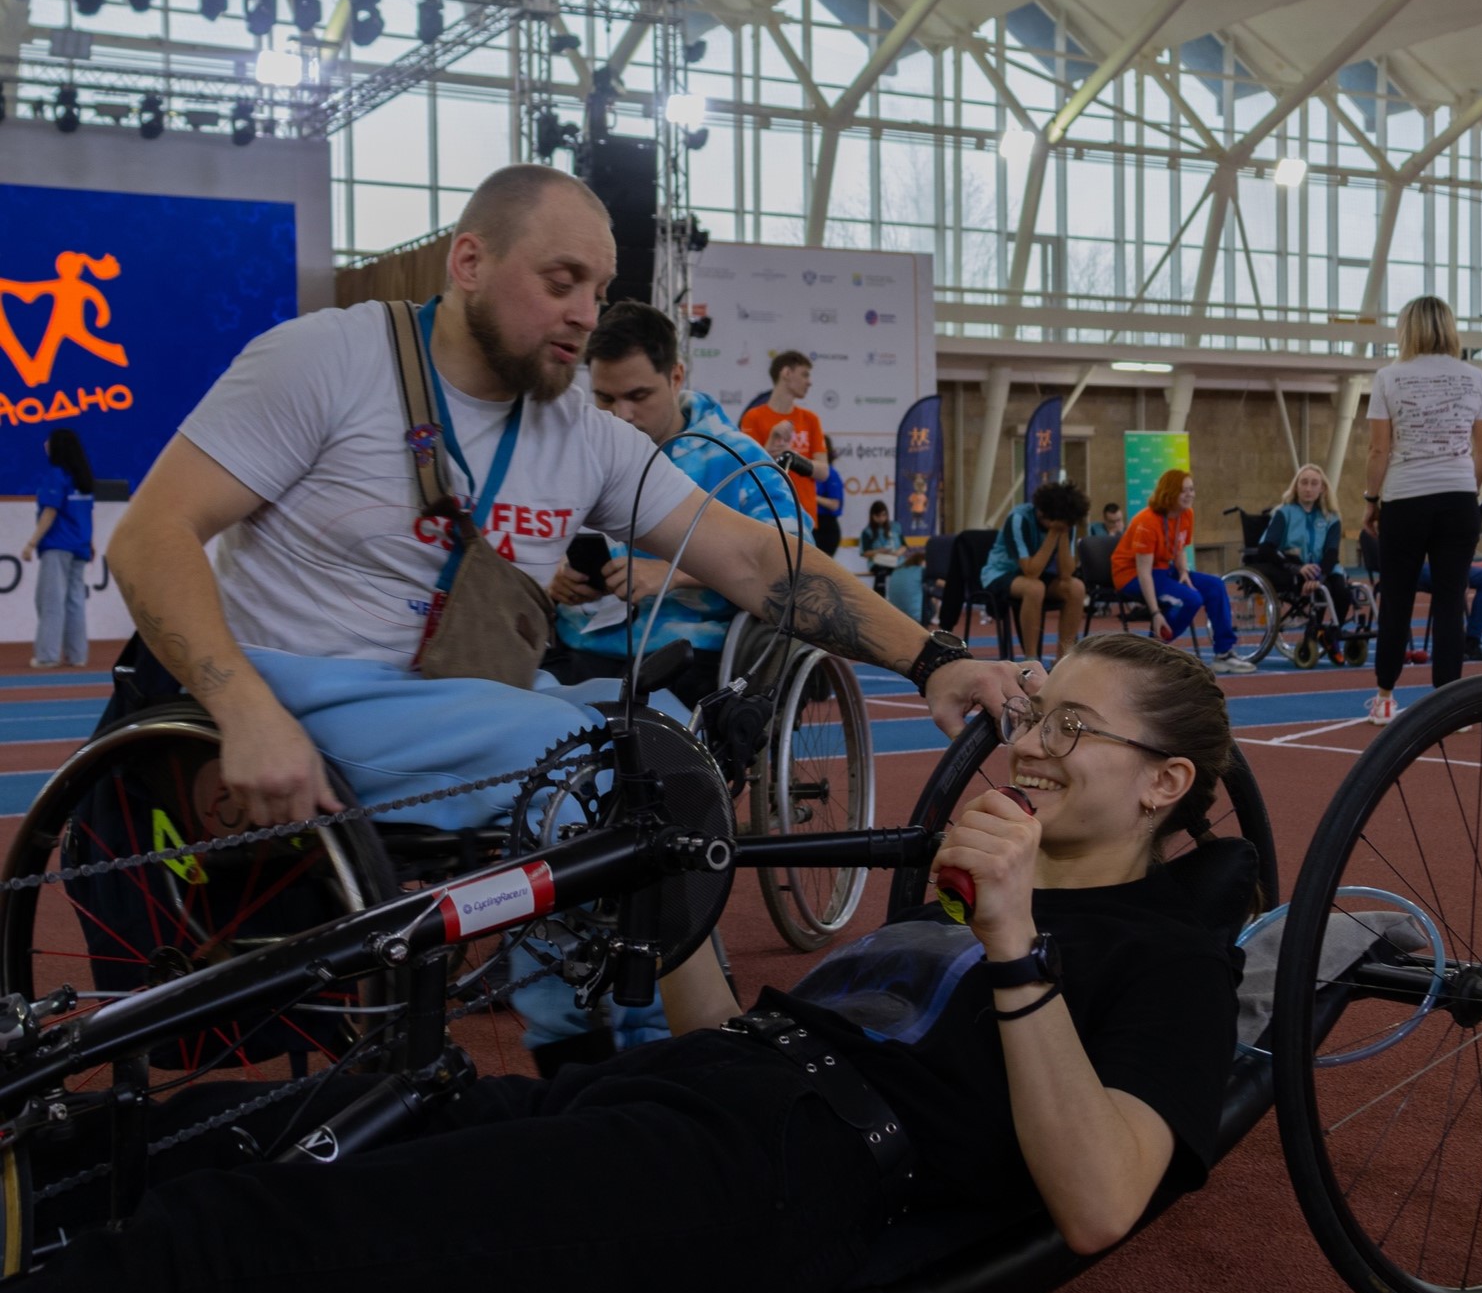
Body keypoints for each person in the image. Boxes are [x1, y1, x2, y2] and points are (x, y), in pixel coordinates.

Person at [0, 634, 1243, 1293]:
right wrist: (671, 905)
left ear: (1163, 783)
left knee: (232, 1250)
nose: (1030, 743)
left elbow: (1100, 1202)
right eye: (1035, 713)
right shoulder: (961, 893)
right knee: (207, 1130)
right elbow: (730, 1030)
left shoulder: (1168, 957)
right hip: (678, 1091)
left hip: (765, 1180)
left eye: (1074, 727)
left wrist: (1016, 941)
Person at [105, 163, 1019, 899]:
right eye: (560, 281)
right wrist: (246, 710)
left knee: (673, 745)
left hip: (455, 701)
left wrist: (933, 658)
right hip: (300, 695)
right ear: (469, 262)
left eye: (599, 288)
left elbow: (749, 555)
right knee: (594, 762)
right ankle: (591, 1032)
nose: (585, 312)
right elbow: (151, 535)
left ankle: (662, 1038)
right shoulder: (325, 359)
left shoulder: (582, 435)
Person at [550, 299, 802, 710]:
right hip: (579, 646)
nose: (622, 415)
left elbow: (792, 559)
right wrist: (554, 573)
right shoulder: (579, 449)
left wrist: (675, 573)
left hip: (688, 657)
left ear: (676, 377)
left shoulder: (738, 458)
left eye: (639, 395)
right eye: (605, 398)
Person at [1361, 296, 1482, 725]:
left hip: (1405, 499)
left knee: (1396, 600)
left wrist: (1371, 500)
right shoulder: (1475, 377)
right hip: (1458, 499)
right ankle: (1451, 708)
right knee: (1451, 601)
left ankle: (1385, 697)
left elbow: (1379, 449)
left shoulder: (1389, 377)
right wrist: (1466, 489)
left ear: (1407, 329)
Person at [1113, 471, 1256, 677]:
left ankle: (1224, 653)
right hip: (1132, 575)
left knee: (1215, 585)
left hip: (1163, 570)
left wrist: (1183, 571)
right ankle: (1153, 650)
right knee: (1191, 599)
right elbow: (1144, 572)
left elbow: (1179, 547)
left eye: (1191, 489)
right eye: (1184, 491)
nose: (1190, 494)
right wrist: (1155, 613)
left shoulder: (1186, 514)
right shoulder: (1147, 521)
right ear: (1169, 493)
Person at [982, 480, 1090, 662]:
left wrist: (1063, 533)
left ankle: (1064, 658)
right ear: (1042, 513)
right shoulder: (1019, 519)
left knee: (1076, 588)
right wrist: (1053, 534)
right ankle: (1031, 659)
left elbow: (1066, 574)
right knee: (1035, 588)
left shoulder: (1065, 523)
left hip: (1035, 575)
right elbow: (1030, 571)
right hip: (1001, 573)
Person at [21, 426, 95, 670]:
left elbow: (50, 512)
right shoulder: (83, 478)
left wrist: (31, 543)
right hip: (79, 546)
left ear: (58, 447)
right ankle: (77, 655)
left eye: (49, 441)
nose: (45, 444)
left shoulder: (56, 476)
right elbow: (86, 514)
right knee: (75, 602)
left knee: (50, 601)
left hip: (58, 546)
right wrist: (90, 542)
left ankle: (47, 655)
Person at [739, 350, 828, 529]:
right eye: (804, 374)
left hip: (804, 517)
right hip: (765, 514)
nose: (809, 382)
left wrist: (792, 457)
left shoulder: (810, 419)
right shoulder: (753, 417)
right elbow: (746, 470)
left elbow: (823, 471)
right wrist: (769, 445)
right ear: (786, 373)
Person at [1261, 463, 1351, 639]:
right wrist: (1297, 568)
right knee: (1323, 590)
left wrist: (1318, 577)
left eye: (1314, 483)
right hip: (1295, 567)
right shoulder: (1284, 513)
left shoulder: (1332, 517)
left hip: (1324, 568)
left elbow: (1332, 552)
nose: (1308, 488)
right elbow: (1266, 548)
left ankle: (1332, 635)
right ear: (1296, 486)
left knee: (1342, 592)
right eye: (1304, 482)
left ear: (1322, 488)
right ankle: (1312, 636)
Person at [860, 498, 902, 596]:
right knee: (881, 572)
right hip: (877, 562)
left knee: (904, 572)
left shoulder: (895, 526)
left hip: (895, 560)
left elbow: (904, 545)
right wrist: (879, 551)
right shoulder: (867, 531)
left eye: (884, 515)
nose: (881, 519)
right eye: (878, 516)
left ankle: (898, 597)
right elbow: (865, 552)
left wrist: (897, 553)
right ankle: (879, 598)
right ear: (872, 516)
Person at [815, 437, 845, 559]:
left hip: (826, 527)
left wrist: (811, 497)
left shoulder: (831, 474)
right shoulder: (808, 473)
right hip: (813, 524)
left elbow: (834, 504)